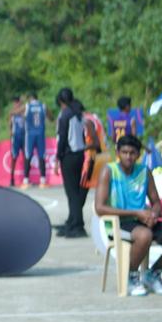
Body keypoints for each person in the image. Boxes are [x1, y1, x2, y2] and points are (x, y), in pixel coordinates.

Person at [94, 134, 162, 297]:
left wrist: (154, 214)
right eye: (125, 152)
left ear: (138, 155)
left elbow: (156, 202)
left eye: (132, 153)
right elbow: (100, 208)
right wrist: (137, 212)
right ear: (118, 153)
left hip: (143, 219)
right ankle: (131, 276)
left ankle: (153, 273)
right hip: (118, 222)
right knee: (145, 236)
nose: (128, 156)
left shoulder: (144, 172)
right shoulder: (109, 171)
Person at [54, 88, 88, 238]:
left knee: (72, 192)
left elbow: (62, 138)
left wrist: (58, 156)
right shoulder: (78, 112)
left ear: (61, 101)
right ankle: (72, 220)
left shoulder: (65, 114)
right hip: (79, 154)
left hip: (69, 155)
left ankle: (77, 225)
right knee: (74, 190)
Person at [19, 91, 48, 187]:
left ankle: (26, 180)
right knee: (41, 155)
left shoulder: (27, 106)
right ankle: (43, 180)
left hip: (30, 134)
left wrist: (22, 105)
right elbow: (50, 116)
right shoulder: (43, 106)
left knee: (28, 155)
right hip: (40, 134)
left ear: (30, 98)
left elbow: (15, 112)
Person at [7, 98, 26, 186]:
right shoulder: (12, 113)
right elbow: (9, 124)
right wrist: (10, 132)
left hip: (24, 137)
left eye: (18, 103)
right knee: (14, 157)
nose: (16, 105)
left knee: (26, 157)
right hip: (16, 138)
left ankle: (26, 178)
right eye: (15, 103)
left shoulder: (24, 111)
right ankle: (12, 178)